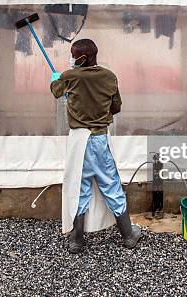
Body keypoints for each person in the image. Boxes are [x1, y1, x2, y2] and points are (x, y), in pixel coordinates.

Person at [50, 38, 141, 254]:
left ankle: (77, 240)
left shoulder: (69, 76)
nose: (71, 58)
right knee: (110, 184)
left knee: (79, 188)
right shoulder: (109, 77)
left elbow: (55, 91)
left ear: (82, 57)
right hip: (100, 139)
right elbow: (116, 108)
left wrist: (56, 79)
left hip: (78, 141)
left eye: (73, 55)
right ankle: (128, 235)